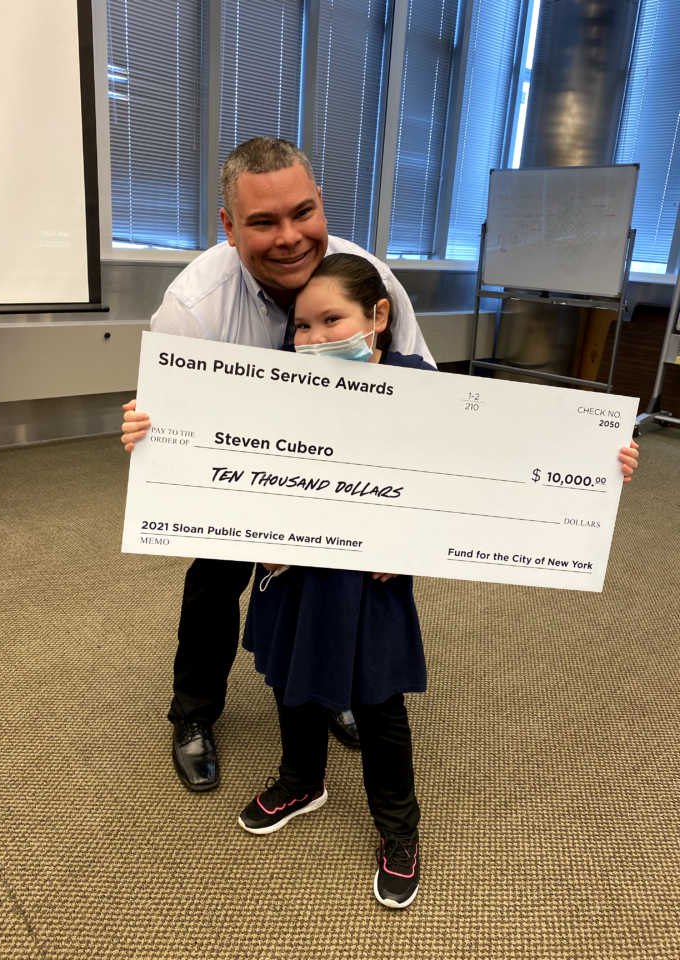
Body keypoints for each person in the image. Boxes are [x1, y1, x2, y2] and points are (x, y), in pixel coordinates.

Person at [121, 137, 435, 794]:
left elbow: (429, 400)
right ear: (229, 227)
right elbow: (174, 423)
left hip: (350, 468)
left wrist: (407, 522)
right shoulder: (195, 307)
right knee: (216, 579)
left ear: (321, 205)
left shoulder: (369, 280)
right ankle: (193, 714)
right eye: (262, 222)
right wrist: (154, 435)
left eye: (303, 213)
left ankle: (336, 691)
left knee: (346, 585)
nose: (290, 238)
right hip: (242, 470)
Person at [237, 254, 432, 909]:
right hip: (294, 572)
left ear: (378, 317)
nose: (314, 338)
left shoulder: (419, 389)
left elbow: (472, 472)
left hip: (368, 583)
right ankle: (302, 780)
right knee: (291, 680)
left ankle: (398, 830)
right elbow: (229, 455)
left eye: (332, 320)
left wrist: (601, 462)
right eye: (301, 326)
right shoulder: (282, 385)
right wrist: (153, 437)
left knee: (378, 705)